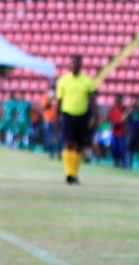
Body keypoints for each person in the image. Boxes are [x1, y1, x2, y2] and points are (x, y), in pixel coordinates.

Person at [55, 54, 99, 184]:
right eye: (72, 62)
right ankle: (69, 173)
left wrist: (94, 116)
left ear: (81, 65)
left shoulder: (88, 81)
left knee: (79, 146)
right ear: (68, 65)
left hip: (82, 116)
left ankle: (74, 173)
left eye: (76, 63)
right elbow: (59, 101)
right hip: (67, 115)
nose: (74, 65)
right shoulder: (62, 81)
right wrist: (57, 118)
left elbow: (93, 101)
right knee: (68, 143)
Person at [125, 95, 139, 172]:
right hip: (131, 133)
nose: (135, 102)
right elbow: (123, 119)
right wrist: (129, 112)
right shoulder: (129, 111)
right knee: (129, 151)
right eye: (133, 100)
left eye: (136, 100)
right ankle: (128, 166)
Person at [106, 94, 128, 168]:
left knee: (122, 149)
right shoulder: (112, 109)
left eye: (118, 100)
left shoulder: (124, 109)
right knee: (114, 148)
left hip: (122, 132)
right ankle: (116, 162)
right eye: (116, 100)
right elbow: (108, 119)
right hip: (114, 132)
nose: (116, 101)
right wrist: (111, 124)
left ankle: (124, 163)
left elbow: (125, 119)